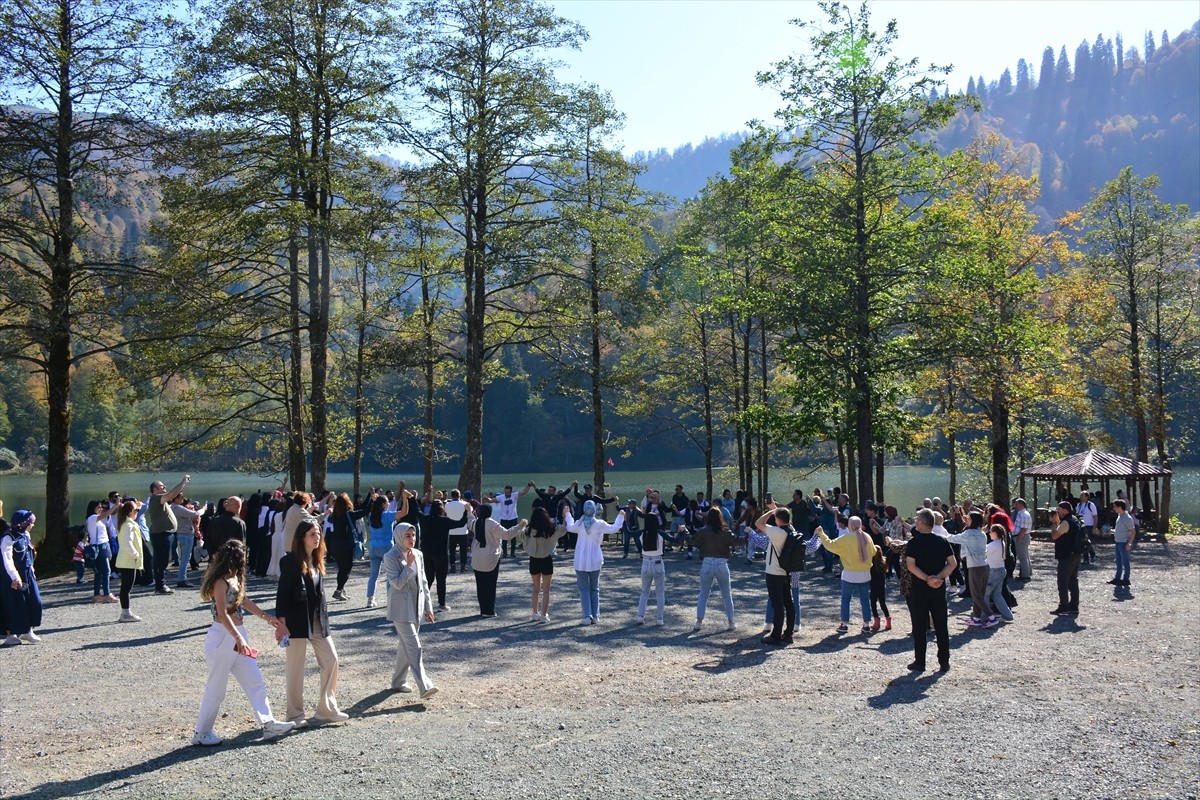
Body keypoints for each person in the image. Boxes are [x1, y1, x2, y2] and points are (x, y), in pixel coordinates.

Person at [192, 540, 294, 746]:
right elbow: (222, 613)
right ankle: (202, 732)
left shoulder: (235, 578)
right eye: (243, 557)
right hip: (223, 637)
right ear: (236, 558)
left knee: (255, 680)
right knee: (216, 688)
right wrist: (238, 639)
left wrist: (267, 618)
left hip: (237, 635)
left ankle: (267, 723)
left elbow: (244, 601)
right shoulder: (220, 582)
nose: (245, 560)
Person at [275, 520, 349, 727]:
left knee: (331, 659)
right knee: (295, 668)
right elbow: (282, 593)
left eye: (318, 533)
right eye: (312, 534)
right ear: (302, 538)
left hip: (317, 620)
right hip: (296, 621)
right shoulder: (290, 561)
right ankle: (295, 715)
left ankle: (326, 709)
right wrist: (281, 622)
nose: (317, 537)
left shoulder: (317, 559)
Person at [383, 522, 438, 698]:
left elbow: (424, 583)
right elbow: (397, 584)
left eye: (413, 535)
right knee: (414, 646)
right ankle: (425, 685)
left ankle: (398, 682)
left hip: (416, 607)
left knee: (405, 646)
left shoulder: (418, 554)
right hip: (400, 609)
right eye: (407, 536)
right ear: (399, 536)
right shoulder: (390, 556)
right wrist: (407, 565)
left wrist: (428, 607)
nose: (411, 539)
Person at [904, 508, 957, 673]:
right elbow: (953, 563)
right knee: (941, 625)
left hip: (919, 589)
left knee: (920, 625)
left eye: (916, 519)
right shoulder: (942, 541)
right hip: (938, 589)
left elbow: (910, 566)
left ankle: (920, 662)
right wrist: (939, 578)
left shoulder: (914, 542)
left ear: (921, 522)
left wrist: (927, 578)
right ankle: (944, 662)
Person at [564, 499, 624, 625]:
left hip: (581, 560)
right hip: (595, 559)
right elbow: (615, 528)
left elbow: (569, 527)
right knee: (594, 588)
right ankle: (595, 616)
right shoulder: (599, 523)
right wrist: (620, 516)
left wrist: (567, 514)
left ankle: (587, 616)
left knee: (584, 589)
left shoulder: (579, 523)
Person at [816, 516, 880, 634]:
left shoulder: (846, 538)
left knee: (846, 599)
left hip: (849, 574)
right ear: (860, 525)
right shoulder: (867, 537)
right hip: (865, 574)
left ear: (850, 525)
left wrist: (821, 534)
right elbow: (874, 552)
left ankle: (844, 624)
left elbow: (830, 545)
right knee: (865, 600)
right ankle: (866, 625)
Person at [469, 503, 528, 617]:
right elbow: (507, 535)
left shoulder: (475, 523)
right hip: (491, 557)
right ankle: (489, 610)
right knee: (490, 585)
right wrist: (519, 526)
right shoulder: (493, 524)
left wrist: (468, 512)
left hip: (477, 557)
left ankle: (483, 609)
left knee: (480, 585)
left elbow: (469, 521)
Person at [413, 493, 468, 611]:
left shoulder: (425, 519)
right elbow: (461, 523)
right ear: (442, 509)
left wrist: (412, 498)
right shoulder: (445, 521)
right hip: (440, 554)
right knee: (441, 579)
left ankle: (421, 600)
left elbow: (417, 510)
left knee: (428, 578)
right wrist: (466, 511)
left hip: (427, 552)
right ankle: (442, 604)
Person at [692, 507, 739, 632]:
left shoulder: (703, 531)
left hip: (707, 562)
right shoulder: (725, 531)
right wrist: (748, 534)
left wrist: (684, 532)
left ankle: (699, 621)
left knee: (703, 594)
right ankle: (731, 622)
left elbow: (692, 541)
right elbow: (736, 542)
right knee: (726, 595)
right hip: (721, 563)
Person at [755, 503, 796, 646]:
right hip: (786, 572)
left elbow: (758, 523)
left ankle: (776, 635)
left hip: (774, 573)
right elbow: (787, 522)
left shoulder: (776, 532)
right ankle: (789, 633)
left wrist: (770, 512)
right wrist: (777, 511)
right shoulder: (791, 531)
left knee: (777, 605)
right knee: (789, 604)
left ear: (778, 520)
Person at [1, 511, 43, 645]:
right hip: (12, 576)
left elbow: (28, 555)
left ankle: (27, 630)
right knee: (15, 604)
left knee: (34, 601)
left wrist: (32, 570)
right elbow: (7, 560)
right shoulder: (8, 538)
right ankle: (11, 634)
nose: (33, 525)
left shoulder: (25, 535)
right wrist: (15, 577)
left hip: (27, 574)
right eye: (31, 522)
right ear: (22, 523)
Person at [521, 507, 565, 622]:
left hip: (534, 559)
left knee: (536, 588)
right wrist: (565, 516)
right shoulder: (551, 529)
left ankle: (535, 612)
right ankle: (544, 614)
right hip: (546, 559)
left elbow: (519, 534)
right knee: (546, 590)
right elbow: (564, 529)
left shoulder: (529, 530)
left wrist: (522, 525)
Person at [324, 492, 369, 602]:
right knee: (346, 569)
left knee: (341, 569)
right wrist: (371, 499)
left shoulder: (334, 515)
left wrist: (369, 497)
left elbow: (362, 509)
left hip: (334, 545)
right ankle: (338, 590)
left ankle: (341, 590)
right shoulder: (349, 514)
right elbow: (365, 511)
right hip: (345, 545)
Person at [948, 511, 990, 627]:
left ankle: (991, 617)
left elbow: (953, 538)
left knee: (976, 595)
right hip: (984, 566)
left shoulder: (969, 533)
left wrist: (938, 535)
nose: (967, 519)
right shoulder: (982, 533)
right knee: (979, 594)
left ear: (973, 520)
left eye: (969, 518)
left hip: (975, 567)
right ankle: (976, 618)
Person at [113, 500, 146, 623]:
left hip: (127, 561)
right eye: (136, 510)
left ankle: (126, 612)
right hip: (128, 561)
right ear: (131, 512)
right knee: (126, 588)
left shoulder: (126, 524)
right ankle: (125, 613)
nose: (137, 512)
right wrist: (136, 555)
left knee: (126, 587)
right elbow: (127, 543)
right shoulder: (128, 526)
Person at [634, 509, 668, 626]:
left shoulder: (642, 534)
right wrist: (682, 531)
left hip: (645, 563)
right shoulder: (660, 534)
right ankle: (659, 619)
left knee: (644, 591)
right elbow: (676, 540)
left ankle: (640, 616)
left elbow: (628, 532)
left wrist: (623, 520)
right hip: (658, 562)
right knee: (659, 592)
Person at [1050, 502, 1083, 616]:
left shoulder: (1066, 522)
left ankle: (1063, 606)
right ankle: (1074, 606)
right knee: (1073, 581)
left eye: (1059, 509)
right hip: (1076, 554)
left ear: (1065, 510)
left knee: (1063, 581)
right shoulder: (1074, 519)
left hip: (1066, 555)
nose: (1057, 511)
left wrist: (1054, 523)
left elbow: (1055, 535)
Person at [85, 500, 117, 603]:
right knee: (106, 571)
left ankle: (97, 594)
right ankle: (107, 593)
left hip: (102, 545)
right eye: (99, 507)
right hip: (100, 546)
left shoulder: (95, 519)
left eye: (101, 507)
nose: (101, 509)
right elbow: (106, 514)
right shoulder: (92, 518)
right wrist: (116, 506)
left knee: (99, 572)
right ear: (93, 508)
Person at [984, 524, 1012, 625]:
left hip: (994, 572)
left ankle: (984, 616)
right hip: (1001, 570)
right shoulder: (1002, 543)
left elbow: (983, 552)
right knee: (996, 594)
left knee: (985, 594)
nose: (989, 534)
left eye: (991, 532)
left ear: (995, 533)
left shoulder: (992, 545)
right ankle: (1008, 615)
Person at [495, 484, 530, 558]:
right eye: (505, 492)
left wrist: (529, 485)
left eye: (508, 492)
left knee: (513, 536)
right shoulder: (501, 497)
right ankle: (504, 552)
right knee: (504, 536)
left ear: (511, 492)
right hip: (504, 519)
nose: (506, 493)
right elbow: (492, 500)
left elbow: (524, 492)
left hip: (513, 518)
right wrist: (487, 499)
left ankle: (512, 552)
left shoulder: (514, 495)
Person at [1110, 499, 1137, 587]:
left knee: (1125, 562)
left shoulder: (1127, 518)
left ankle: (1126, 579)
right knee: (1118, 562)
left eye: (1115, 506)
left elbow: (1133, 532)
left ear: (1120, 507)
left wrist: (1129, 543)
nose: (1113, 508)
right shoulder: (1119, 516)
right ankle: (1117, 578)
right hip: (1118, 542)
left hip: (1123, 542)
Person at [444, 490, 472, 572]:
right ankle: (463, 566)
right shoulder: (464, 504)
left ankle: (453, 566)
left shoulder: (447, 504)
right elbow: (470, 510)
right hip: (463, 531)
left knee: (452, 550)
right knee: (463, 549)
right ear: (459, 496)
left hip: (451, 531)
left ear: (451, 496)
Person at [1075, 491, 1100, 564]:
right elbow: (1077, 515)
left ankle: (1091, 555)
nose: (1081, 497)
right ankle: (1087, 558)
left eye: (1082, 495)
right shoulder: (1078, 505)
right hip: (1080, 525)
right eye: (1080, 495)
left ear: (1087, 497)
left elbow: (1095, 516)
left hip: (1089, 525)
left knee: (1086, 541)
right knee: (1082, 541)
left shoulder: (1091, 505)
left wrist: (1094, 527)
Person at [1011, 498, 1033, 580]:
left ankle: (1025, 575)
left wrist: (1019, 538)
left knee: (1022, 557)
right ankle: (1028, 572)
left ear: (1021, 504)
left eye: (1016, 504)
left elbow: (1024, 528)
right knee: (1025, 556)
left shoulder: (1024, 514)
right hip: (1021, 536)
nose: (1015, 506)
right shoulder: (1022, 514)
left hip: (1021, 537)